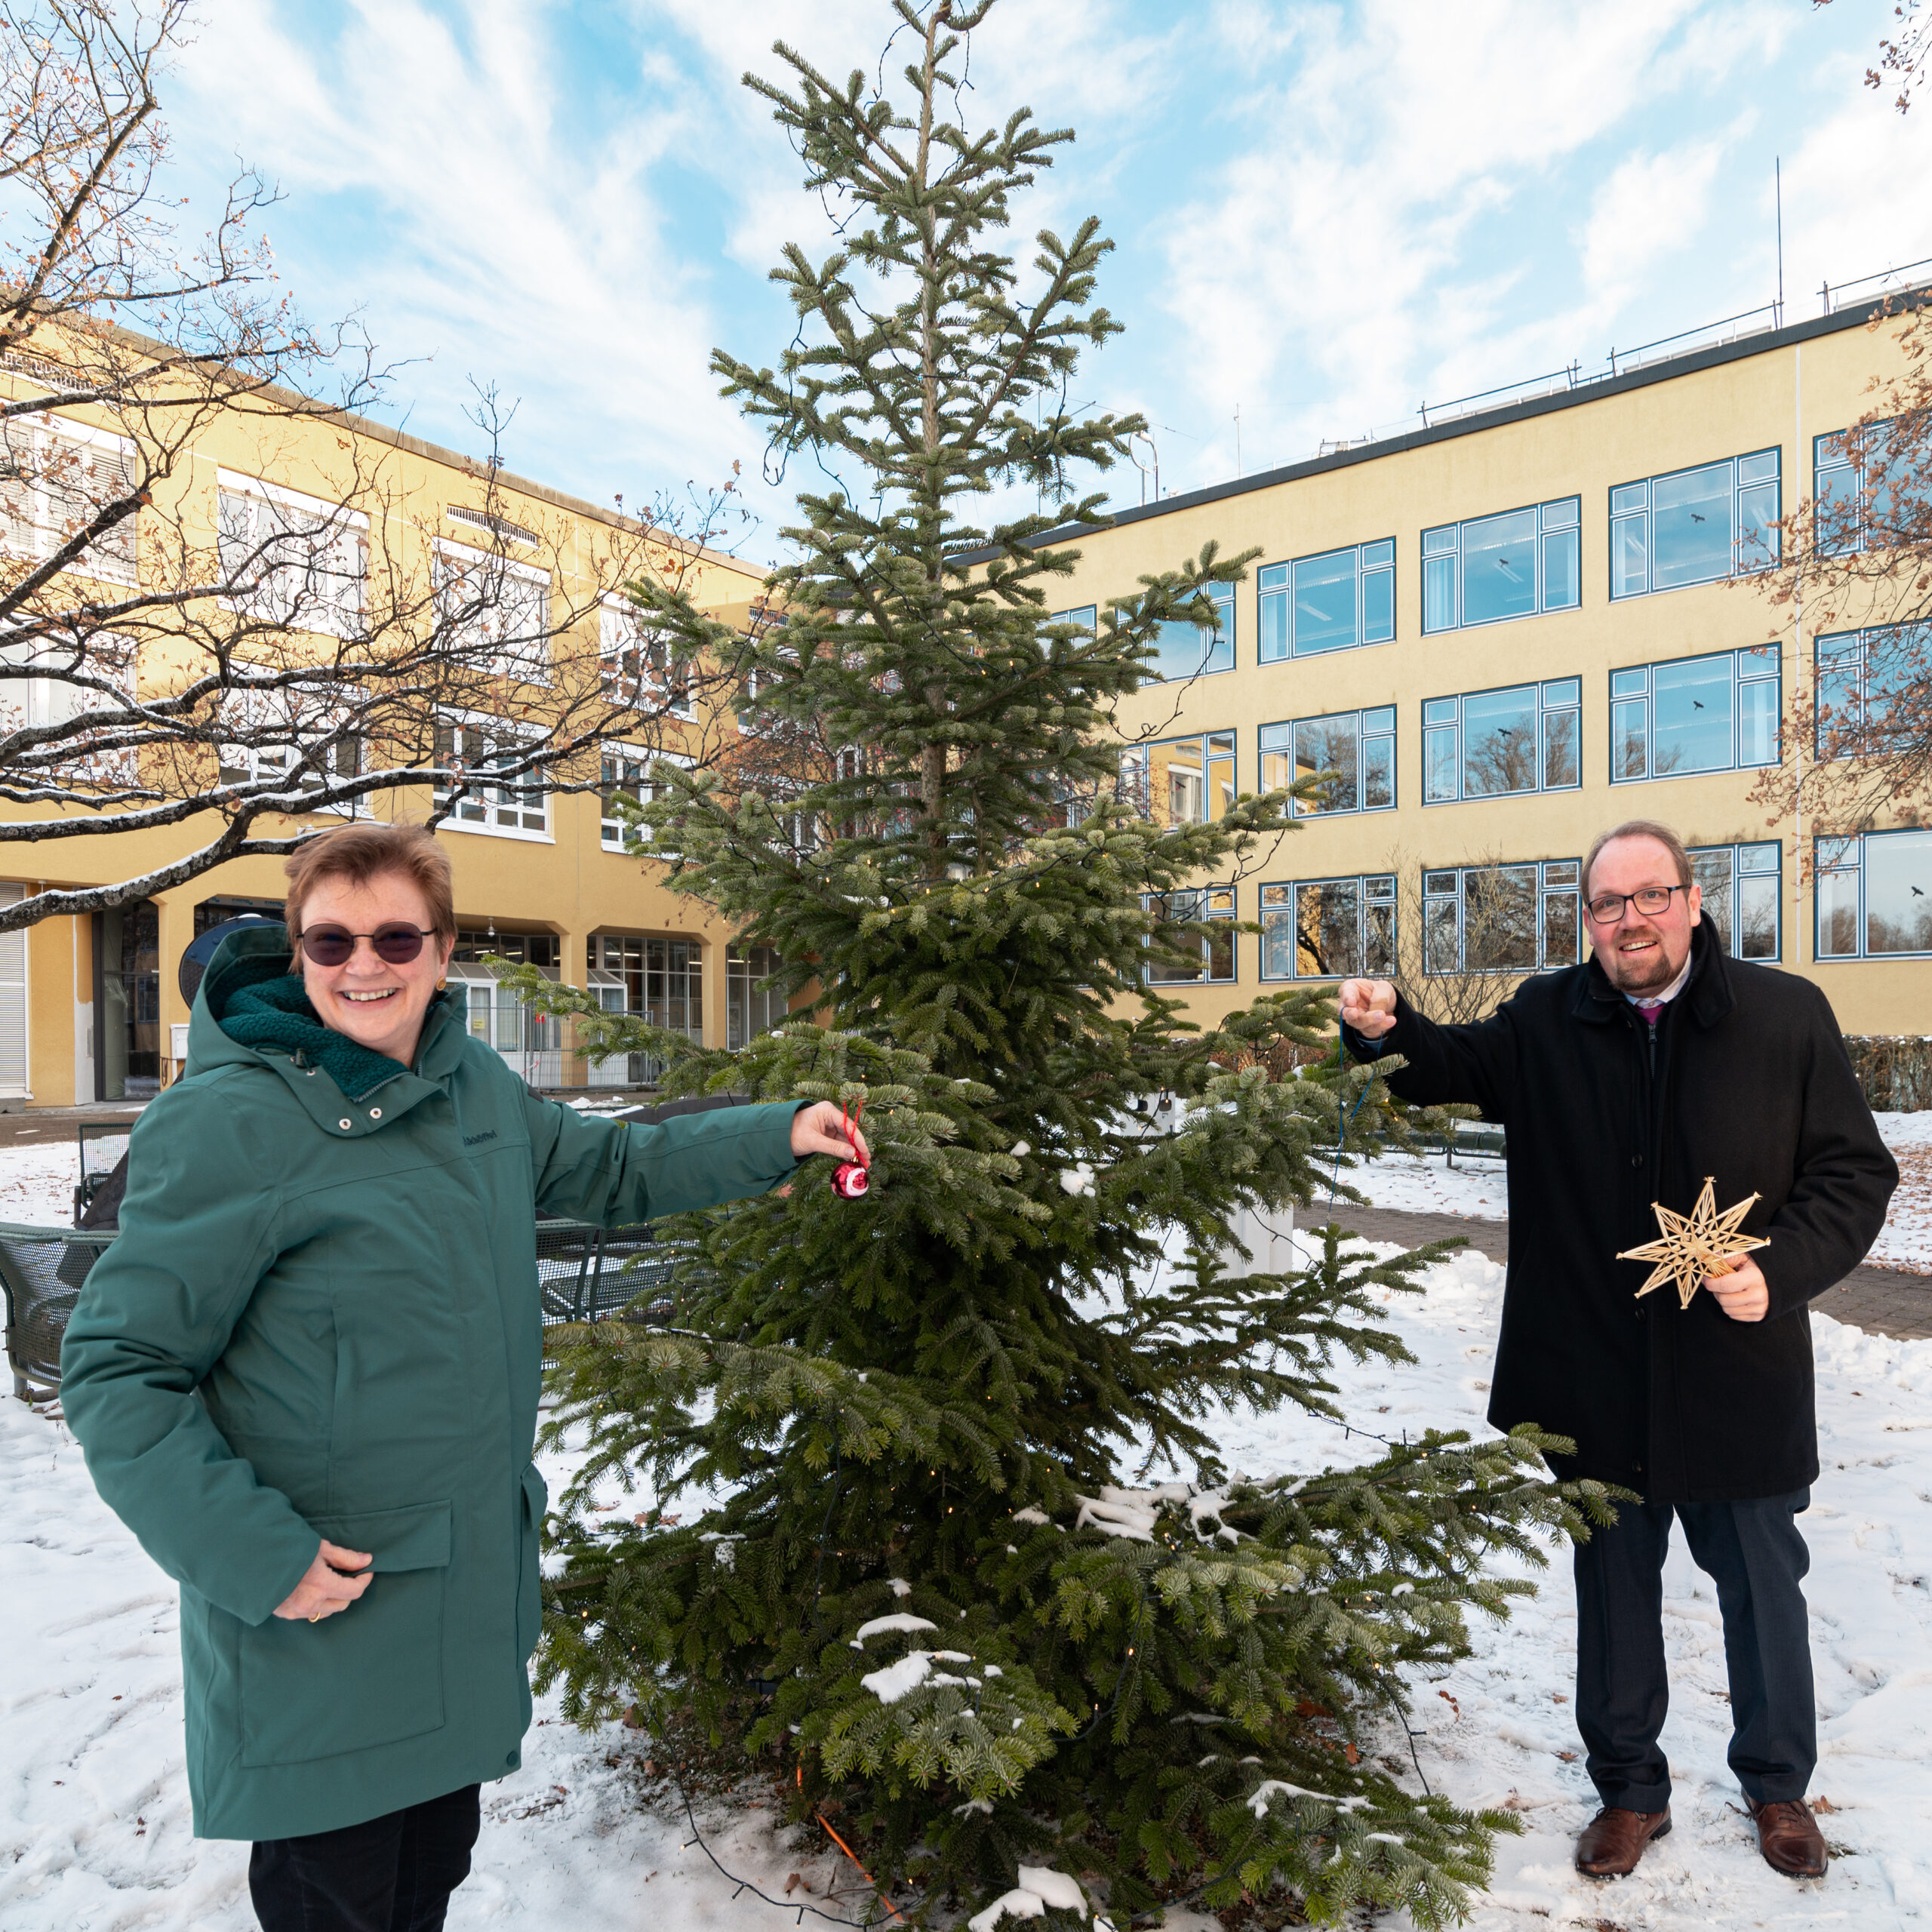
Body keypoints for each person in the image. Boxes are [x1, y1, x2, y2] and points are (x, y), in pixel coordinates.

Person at [60, 823, 869, 1932]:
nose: (363, 964)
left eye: (396, 936)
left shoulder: (469, 1082)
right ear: (296, 951)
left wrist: (779, 1134)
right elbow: (118, 1368)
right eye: (331, 938)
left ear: (444, 953)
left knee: (423, 1891)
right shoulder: (229, 1122)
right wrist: (258, 1555)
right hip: (323, 1623)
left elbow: (613, 1167)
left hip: (452, 1606)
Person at [1337, 819, 1894, 1884]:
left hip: (1740, 1375)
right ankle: (1630, 1794)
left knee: (1764, 1591)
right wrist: (1385, 1027)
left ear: (1691, 900)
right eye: (1606, 903)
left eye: (1649, 897)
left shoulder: (1785, 1017)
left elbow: (1856, 1175)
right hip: (1594, 1369)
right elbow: (1449, 1063)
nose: (1628, 919)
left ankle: (1779, 1786)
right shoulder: (1551, 1014)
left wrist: (1779, 1270)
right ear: (1586, 916)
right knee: (1613, 1594)